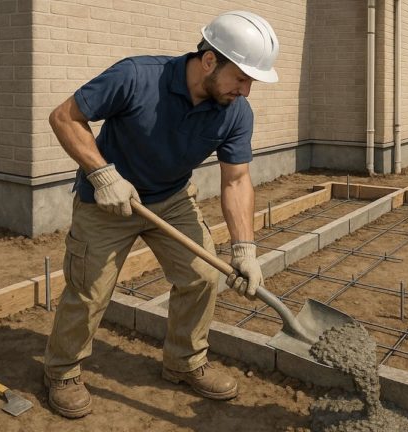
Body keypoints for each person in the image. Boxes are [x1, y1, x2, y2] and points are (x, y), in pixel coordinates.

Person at [43, 11, 279, 419]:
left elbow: (237, 180)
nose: (246, 90)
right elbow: (65, 117)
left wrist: (245, 249)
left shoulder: (236, 112)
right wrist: (102, 174)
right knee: (90, 289)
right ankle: (62, 370)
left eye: (251, 82)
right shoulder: (136, 77)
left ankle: (185, 362)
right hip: (107, 201)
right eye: (241, 78)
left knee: (201, 275)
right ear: (209, 61)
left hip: (171, 198)